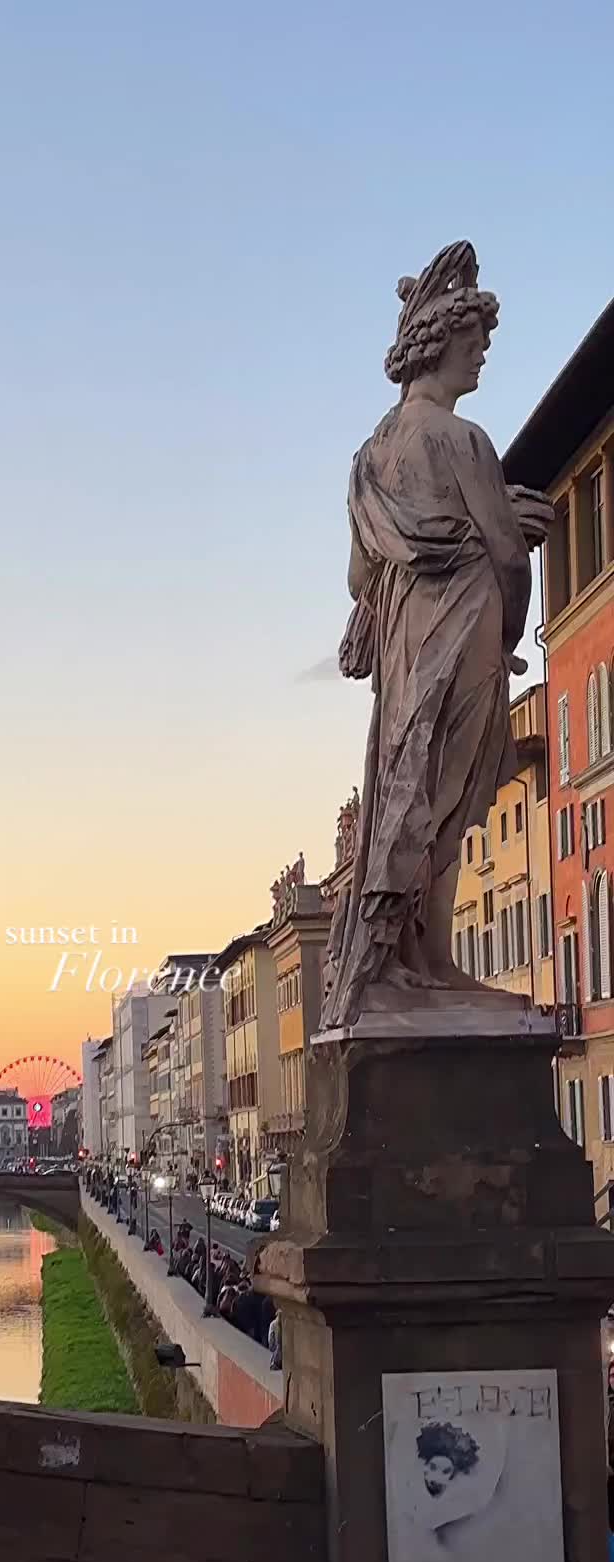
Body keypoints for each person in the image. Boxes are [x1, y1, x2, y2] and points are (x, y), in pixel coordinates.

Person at [321, 242, 552, 1027]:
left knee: (407, 790)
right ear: (441, 343)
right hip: (465, 636)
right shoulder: (464, 441)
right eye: (475, 343)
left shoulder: (368, 457)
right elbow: (509, 560)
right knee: (447, 798)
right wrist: (511, 622)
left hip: (404, 649)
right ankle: (425, 961)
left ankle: (407, 962)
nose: (482, 358)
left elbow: (360, 579)